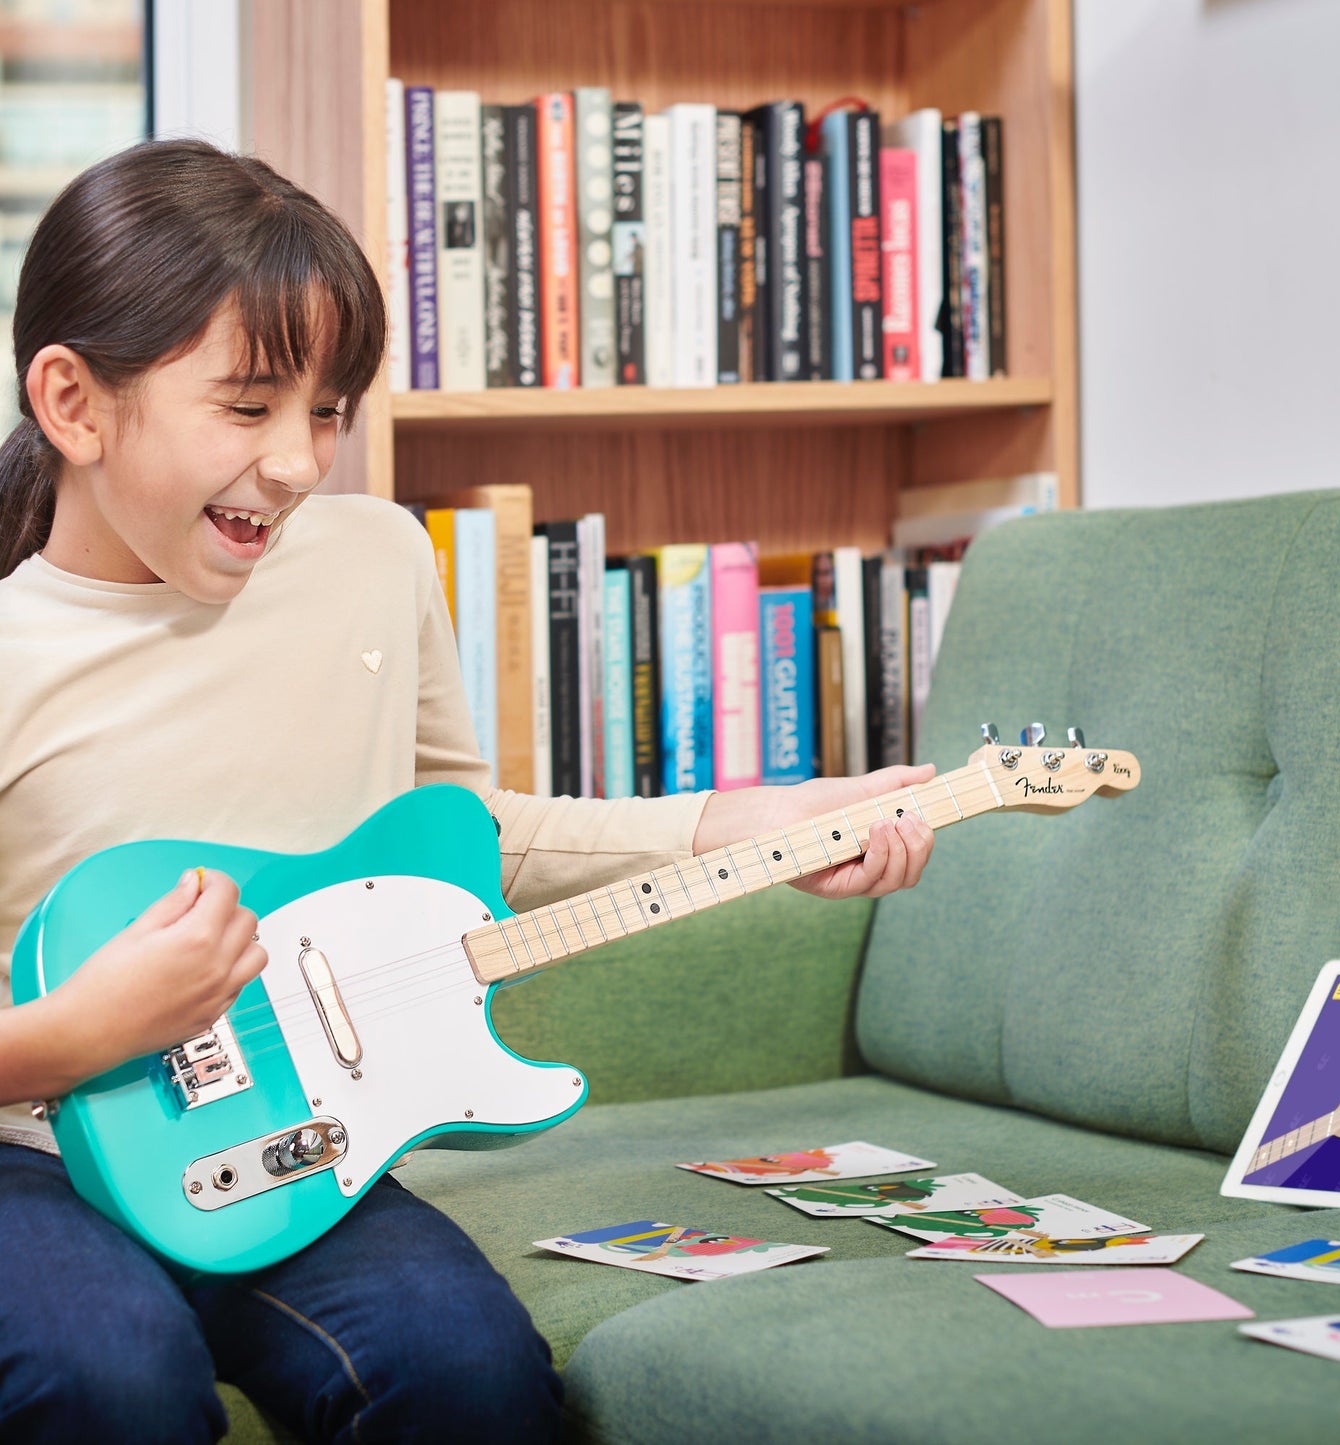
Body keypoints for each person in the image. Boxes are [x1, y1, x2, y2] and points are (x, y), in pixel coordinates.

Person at [0, 139, 935, 1444]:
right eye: (250, 404)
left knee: (468, 1371)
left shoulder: (375, 562)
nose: (297, 461)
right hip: (22, 1164)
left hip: (296, 1148)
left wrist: (746, 822)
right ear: (74, 401)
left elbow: (458, 842)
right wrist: (87, 1027)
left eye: (329, 410)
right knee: (105, 1381)